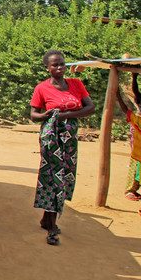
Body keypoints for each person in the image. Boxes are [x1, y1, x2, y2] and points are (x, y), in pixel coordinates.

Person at [30, 50, 96, 246]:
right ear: (47, 68)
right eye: (54, 65)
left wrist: (65, 115)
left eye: (61, 64)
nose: (59, 68)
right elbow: (34, 115)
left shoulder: (76, 84)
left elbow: (90, 108)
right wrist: (48, 115)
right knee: (52, 177)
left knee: (65, 176)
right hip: (51, 139)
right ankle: (52, 226)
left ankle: (46, 218)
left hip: (70, 142)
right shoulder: (41, 88)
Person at [117, 73, 141, 215]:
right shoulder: (137, 121)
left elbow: (135, 96)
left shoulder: (136, 120)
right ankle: (131, 191)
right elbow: (137, 94)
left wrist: (117, 96)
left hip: (138, 154)